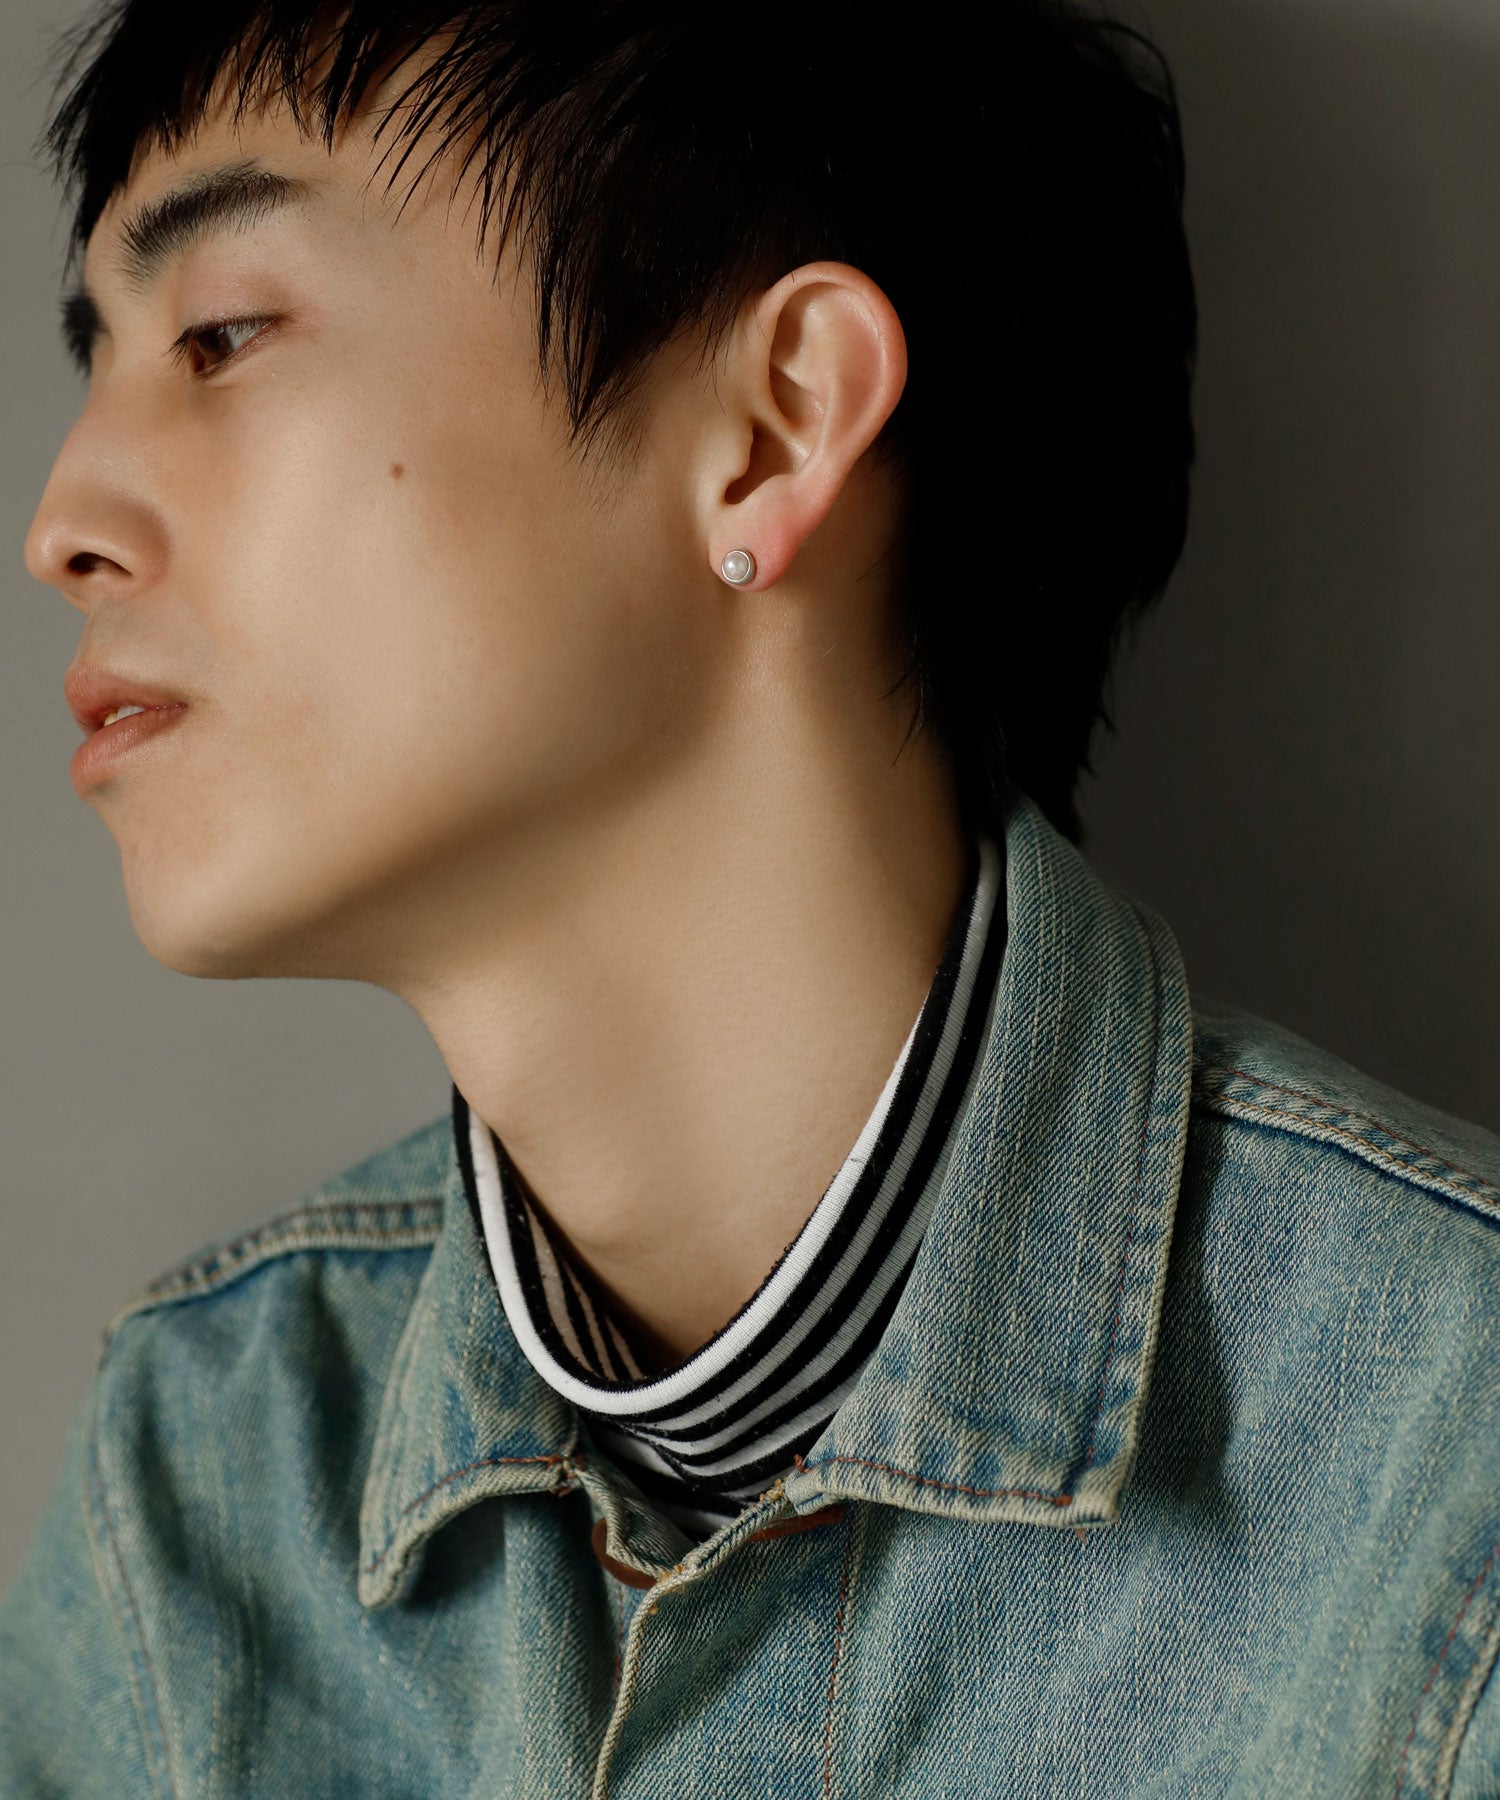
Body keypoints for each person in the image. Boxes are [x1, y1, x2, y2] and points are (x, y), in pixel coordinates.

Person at [3, 0, 1498, 1792]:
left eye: (223, 335)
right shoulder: (206, 1481)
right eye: (101, 360)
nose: (61, 522)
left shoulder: (1451, 1492)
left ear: (779, 423)